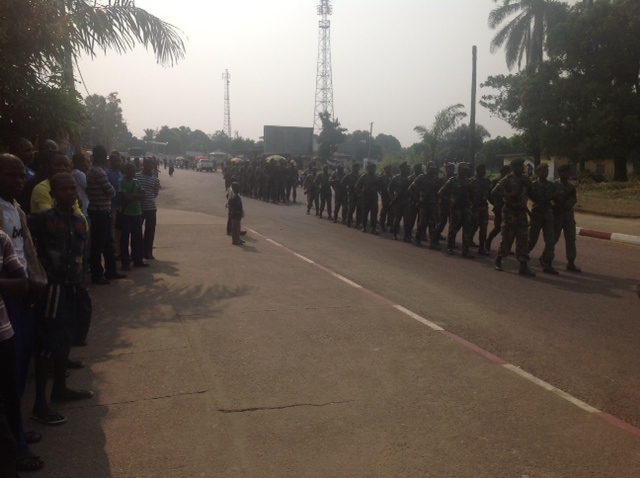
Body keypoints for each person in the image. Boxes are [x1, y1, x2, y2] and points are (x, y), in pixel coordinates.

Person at [28, 173, 94, 426]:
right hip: (52, 288)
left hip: (73, 286)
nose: (70, 193)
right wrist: (35, 267)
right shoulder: (41, 220)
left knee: (67, 337)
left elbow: (81, 255)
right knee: (47, 342)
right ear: (53, 195)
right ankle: (40, 404)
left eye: (72, 189)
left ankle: (61, 389)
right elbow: (23, 242)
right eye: (63, 190)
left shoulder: (79, 221)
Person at [0, 154, 47, 473]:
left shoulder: (16, 209)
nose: (19, 180)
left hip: (23, 291)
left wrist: (34, 282)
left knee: (18, 369)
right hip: (7, 298)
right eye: (11, 175)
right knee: (8, 372)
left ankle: (15, 430)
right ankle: (14, 444)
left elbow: (24, 251)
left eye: (21, 176)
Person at [86, 145, 126, 285]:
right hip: (100, 211)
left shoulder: (92, 171)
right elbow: (111, 192)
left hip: (101, 209)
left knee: (108, 243)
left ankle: (110, 271)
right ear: (103, 157)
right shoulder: (99, 172)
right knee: (99, 244)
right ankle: (98, 274)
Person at [491, 158, 535, 276]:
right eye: (519, 166)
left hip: (521, 212)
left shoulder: (525, 179)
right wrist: (508, 195)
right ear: (513, 167)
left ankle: (523, 266)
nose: (522, 168)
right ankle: (499, 260)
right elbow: (494, 192)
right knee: (507, 238)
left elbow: (532, 193)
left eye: (522, 166)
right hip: (510, 212)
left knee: (523, 239)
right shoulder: (507, 179)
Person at [438, 162, 474, 258]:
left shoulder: (469, 181)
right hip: (456, 208)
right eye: (464, 169)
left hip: (466, 208)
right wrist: (450, 200)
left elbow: (472, 194)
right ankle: (450, 247)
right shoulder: (452, 180)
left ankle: (465, 250)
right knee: (453, 229)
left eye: (467, 169)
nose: (466, 171)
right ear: (459, 170)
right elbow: (440, 192)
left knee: (467, 230)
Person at [528, 163, 559, 274]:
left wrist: (554, 202)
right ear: (538, 173)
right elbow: (530, 198)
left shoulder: (551, 185)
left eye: (546, 171)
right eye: (543, 171)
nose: (545, 173)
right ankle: (523, 258)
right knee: (532, 240)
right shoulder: (533, 185)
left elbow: (556, 198)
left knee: (550, 241)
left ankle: (548, 263)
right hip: (537, 214)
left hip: (548, 214)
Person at [554, 164, 581, 272]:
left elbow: (574, 199)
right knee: (553, 238)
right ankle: (546, 257)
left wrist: (568, 204)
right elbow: (550, 198)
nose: (567, 175)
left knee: (570, 239)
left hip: (568, 216)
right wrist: (556, 206)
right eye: (564, 172)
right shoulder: (554, 185)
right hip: (557, 215)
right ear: (560, 173)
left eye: (568, 172)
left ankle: (571, 262)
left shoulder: (571, 187)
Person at [119, 163, 147, 271]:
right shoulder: (122, 182)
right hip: (126, 213)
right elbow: (125, 197)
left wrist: (133, 196)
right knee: (125, 238)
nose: (132, 173)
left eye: (133, 171)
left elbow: (144, 195)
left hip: (137, 213)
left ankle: (137, 260)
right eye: (129, 170)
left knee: (137, 238)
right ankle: (125, 262)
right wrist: (137, 196)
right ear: (125, 171)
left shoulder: (136, 182)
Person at [408, 161, 440, 249]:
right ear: (427, 169)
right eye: (431, 168)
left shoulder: (436, 179)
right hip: (424, 204)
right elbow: (410, 189)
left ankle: (433, 243)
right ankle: (417, 239)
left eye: (434, 169)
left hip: (433, 204)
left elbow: (438, 192)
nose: (433, 170)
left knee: (432, 224)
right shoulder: (421, 177)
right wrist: (417, 199)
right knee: (422, 223)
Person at [136, 157, 161, 260]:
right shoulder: (136, 177)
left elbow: (155, 193)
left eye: (151, 164)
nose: (149, 166)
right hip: (138, 209)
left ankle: (148, 252)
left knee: (150, 232)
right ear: (143, 164)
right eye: (147, 163)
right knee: (137, 232)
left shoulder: (155, 180)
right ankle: (139, 252)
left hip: (151, 209)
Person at [485, 165, 511, 252]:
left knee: (508, 228)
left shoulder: (510, 182)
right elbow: (490, 194)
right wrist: (494, 203)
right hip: (499, 207)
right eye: (507, 171)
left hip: (508, 208)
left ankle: (505, 247)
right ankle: (488, 241)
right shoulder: (496, 182)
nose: (508, 173)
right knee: (498, 228)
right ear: (502, 172)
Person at [468, 163, 492, 256]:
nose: (484, 172)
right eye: (482, 170)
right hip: (474, 207)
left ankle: (482, 248)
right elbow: (467, 194)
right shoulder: (471, 181)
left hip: (484, 207)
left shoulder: (486, 181)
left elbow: (490, 193)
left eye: (484, 170)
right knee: (473, 226)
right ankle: (468, 242)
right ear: (477, 171)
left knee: (484, 228)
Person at [388, 162, 412, 241]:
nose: (407, 169)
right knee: (397, 218)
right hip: (397, 201)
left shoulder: (408, 179)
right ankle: (394, 234)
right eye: (406, 168)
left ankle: (406, 236)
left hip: (406, 201)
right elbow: (389, 189)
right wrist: (392, 198)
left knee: (407, 219)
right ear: (402, 169)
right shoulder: (396, 178)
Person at [355, 162, 380, 234]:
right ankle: (364, 226)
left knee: (374, 213)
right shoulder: (364, 177)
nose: (373, 169)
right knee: (364, 213)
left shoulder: (376, 177)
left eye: (374, 168)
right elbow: (357, 186)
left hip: (374, 197)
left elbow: (380, 187)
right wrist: (361, 193)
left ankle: (373, 228)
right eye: (371, 168)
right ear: (368, 169)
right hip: (365, 197)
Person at [435, 162, 456, 241]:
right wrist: (447, 199)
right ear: (446, 169)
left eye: (452, 168)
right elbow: (438, 192)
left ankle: (451, 241)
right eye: (449, 168)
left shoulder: (454, 180)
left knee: (453, 224)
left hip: (452, 205)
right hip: (443, 204)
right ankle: (435, 237)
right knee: (442, 223)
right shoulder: (441, 180)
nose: (451, 170)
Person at [341, 163, 362, 228]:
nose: (357, 168)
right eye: (355, 167)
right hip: (351, 194)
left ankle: (358, 223)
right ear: (352, 168)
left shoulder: (360, 176)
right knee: (351, 209)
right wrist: (347, 188)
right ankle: (348, 221)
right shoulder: (348, 175)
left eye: (358, 167)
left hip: (358, 195)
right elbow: (342, 183)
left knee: (359, 209)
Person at [377, 164, 394, 232]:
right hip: (384, 196)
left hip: (391, 196)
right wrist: (380, 192)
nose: (389, 170)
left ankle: (390, 224)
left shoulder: (393, 177)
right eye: (388, 169)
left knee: (391, 211)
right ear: (385, 170)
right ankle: (382, 224)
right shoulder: (381, 178)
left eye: (390, 169)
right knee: (384, 210)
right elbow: (377, 185)